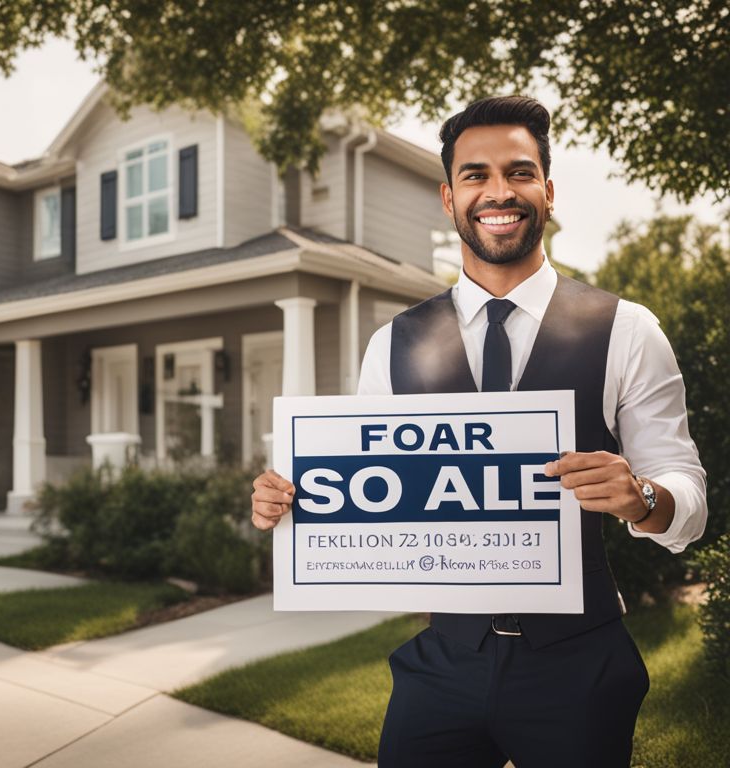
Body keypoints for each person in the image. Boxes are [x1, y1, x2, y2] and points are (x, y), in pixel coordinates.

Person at [250, 96, 707, 767]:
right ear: (448, 197)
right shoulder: (393, 344)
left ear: (547, 191)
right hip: (443, 663)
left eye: (519, 173)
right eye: (476, 175)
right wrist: (295, 505)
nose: (499, 192)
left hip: (577, 665)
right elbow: (376, 502)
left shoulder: (626, 330)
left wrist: (643, 497)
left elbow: (685, 496)